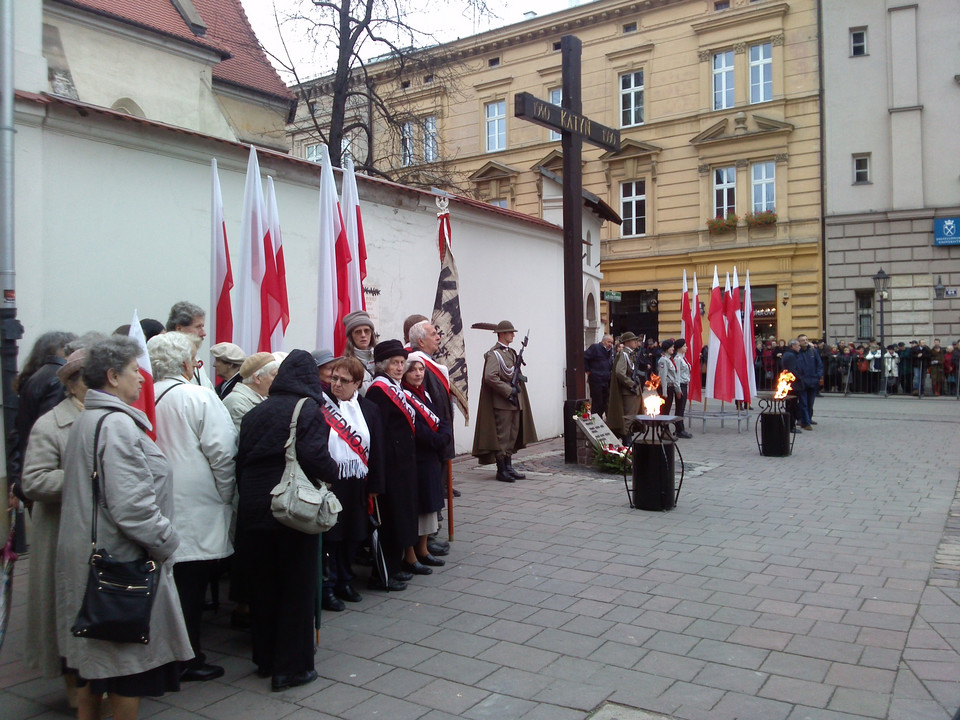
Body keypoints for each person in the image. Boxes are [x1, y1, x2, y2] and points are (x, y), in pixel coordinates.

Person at [57, 337, 192, 720]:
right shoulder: (116, 425)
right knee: (124, 672)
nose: (143, 379)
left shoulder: (90, 417)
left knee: (95, 670)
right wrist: (168, 543)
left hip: (95, 561)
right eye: (136, 371)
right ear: (113, 377)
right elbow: (132, 508)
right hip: (118, 569)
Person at [235, 350, 339, 691]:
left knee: (263, 588)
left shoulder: (255, 412)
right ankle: (291, 668)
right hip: (291, 510)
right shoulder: (308, 409)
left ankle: (265, 659)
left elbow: (241, 462)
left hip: (254, 509)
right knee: (297, 587)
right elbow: (315, 457)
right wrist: (333, 473)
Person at [148, 332, 237, 683]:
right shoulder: (198, 395)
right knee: (189, 585)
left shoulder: (143, 397)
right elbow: (223, 452)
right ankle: (186, 657)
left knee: (163, 583)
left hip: (155, 502)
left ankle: (161, 654)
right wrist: (226, 495)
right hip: (196, 504)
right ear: (187, 364)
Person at [20, 350, 87, 707]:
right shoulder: (51, 424)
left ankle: (93, 685)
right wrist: (86, 477)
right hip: (61, 531)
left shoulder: (101, 418)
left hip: (94, 535)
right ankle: (75, 689)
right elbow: (33, 481)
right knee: (64, 612)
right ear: (75, 385)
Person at [320, 357, 385, 611]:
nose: (336, 384)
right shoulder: (320, 406)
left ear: (357, 383)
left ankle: (345, 581)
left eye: (343, 380)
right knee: (332, 536)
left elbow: (377, 448)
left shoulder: (369, 409)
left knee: (353, 534)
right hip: (331, 483)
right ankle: (328, 585)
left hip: (358, 482)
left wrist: (376, 484)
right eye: (334, 378)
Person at [365, 339, 419, 590]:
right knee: (390, 518)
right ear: (384, 365)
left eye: (401, 362)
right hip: (391, 463)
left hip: (403, 461)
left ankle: (396, 567)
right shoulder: (379, 389)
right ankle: (384, 572)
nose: (399, 367)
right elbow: (379, 431)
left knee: (401, 514)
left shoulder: (394, 386)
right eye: (395, 363)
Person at [8, 331, 76, 507]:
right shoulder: (56, 379)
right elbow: (54, 428)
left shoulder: (33, 379)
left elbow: (17, 433)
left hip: (30, 468)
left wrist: (16, 480)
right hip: (48, 473)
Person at [401, 353, 452, 575]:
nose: (418, 373)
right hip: (418, 457)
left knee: (429, 506)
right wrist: (438, 440)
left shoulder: (426, 393)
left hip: (430, 456)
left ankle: (423, 550)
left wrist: (444, 436)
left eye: (421, 370)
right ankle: (410, 555)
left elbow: (440, 420)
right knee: (418, 507)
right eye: (413, 370)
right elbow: (417, 429)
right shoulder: (403, 395)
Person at [471, 321, 537, 483]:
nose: (513, 335)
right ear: (501, 334)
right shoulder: (494, 354)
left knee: (512, 435)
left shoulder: (512, 353)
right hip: (502, 402)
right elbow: (490, 377)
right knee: (503, 436)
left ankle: (508, 466)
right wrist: (508, 390)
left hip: (514, 401)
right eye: (509, 332)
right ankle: (501, 469)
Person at [223, 352, 279, 431]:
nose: (278, 379)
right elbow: (242, 439)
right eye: (274, 375)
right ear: (257, 378)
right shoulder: (237, 403)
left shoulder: (262, 398)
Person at [165, 302, 214, 391]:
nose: (203, 333)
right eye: (198, 327)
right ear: (179, 329)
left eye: (202, 327)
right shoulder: (166, 359)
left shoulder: (196, 358)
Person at [606, 331, 642, 440]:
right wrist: (631, 384)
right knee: (629, 417)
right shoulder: (624, 354)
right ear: (627, 342)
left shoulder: (630, 354)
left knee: (633, 416)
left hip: (633, 390)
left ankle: (627, 437)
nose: (636, 342)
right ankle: (627, 441)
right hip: (628, 391)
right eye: (634, 340)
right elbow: (619, 372)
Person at [342, 311, 377, 393]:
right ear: (351, 337)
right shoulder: (346, 365)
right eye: (358, 332)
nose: (363, 335)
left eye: (366, 331)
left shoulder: (381, 358)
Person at [584, 335, 614, 418]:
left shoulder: (610, 351)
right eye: (609, 342)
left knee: (605, 401)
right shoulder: (595, 348)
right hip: (596, 379)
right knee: (597, 402)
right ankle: (595, 419)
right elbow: (585, 357)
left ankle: (600, 418)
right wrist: (588, 371)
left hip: (606, 380)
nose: (610, 344)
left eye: (611, 342)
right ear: (603, 341)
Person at [795, 334, 822, 428]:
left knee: (810, 402)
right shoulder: (797, 352)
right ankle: (804, 421)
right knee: (803, 403)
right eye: (803, 340)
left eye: (806, 339)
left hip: (813, 380)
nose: (805, 341)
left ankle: (808, 418)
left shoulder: (813, 351)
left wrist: (818, 376)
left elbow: (819, 364)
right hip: (802, 381)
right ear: (799, 342)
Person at [672, 339, 693, 438]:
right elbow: (677, 375)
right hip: (680, 385)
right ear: (679, 348)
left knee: (682, 408)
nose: (686, 347)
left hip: (684, 384)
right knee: (680, 408)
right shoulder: (677, 359)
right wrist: (678, 389)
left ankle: (680, 428)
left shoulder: (683, 358)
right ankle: (679, 429)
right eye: (684, 346)